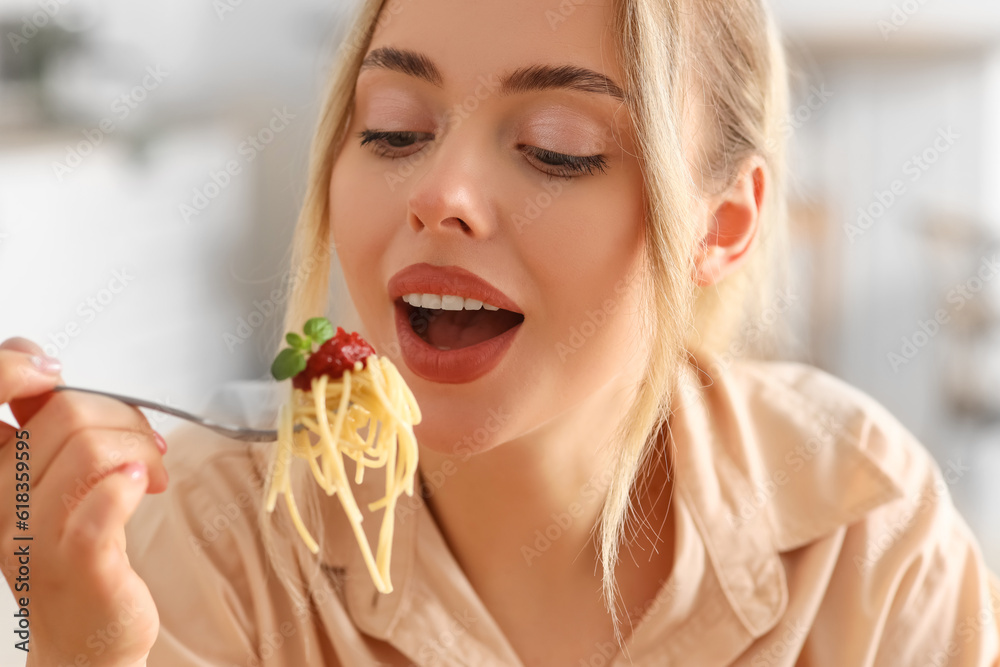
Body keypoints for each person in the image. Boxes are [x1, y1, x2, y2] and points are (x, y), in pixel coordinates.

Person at [2, 0, 999, 665]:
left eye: (554, 147)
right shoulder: (213, 535)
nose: (439, 194)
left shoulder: (860, 525)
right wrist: (71, 645)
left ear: (722, 225)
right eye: (393, 126)